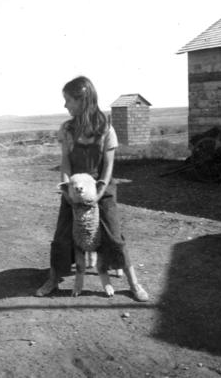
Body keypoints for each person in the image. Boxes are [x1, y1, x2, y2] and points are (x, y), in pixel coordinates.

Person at [36, 76, 149, 302]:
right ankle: (54, 276)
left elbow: (108, 168)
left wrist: (98, 194)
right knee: (61, 235)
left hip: (101, 188)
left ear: (83, 100)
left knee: (113, 235)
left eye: (68, 100)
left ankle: (133, 282)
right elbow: (66, 164)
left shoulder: (106, 129)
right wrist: (68, 192)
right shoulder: (67, 129)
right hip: (74, 189)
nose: (65, 105)